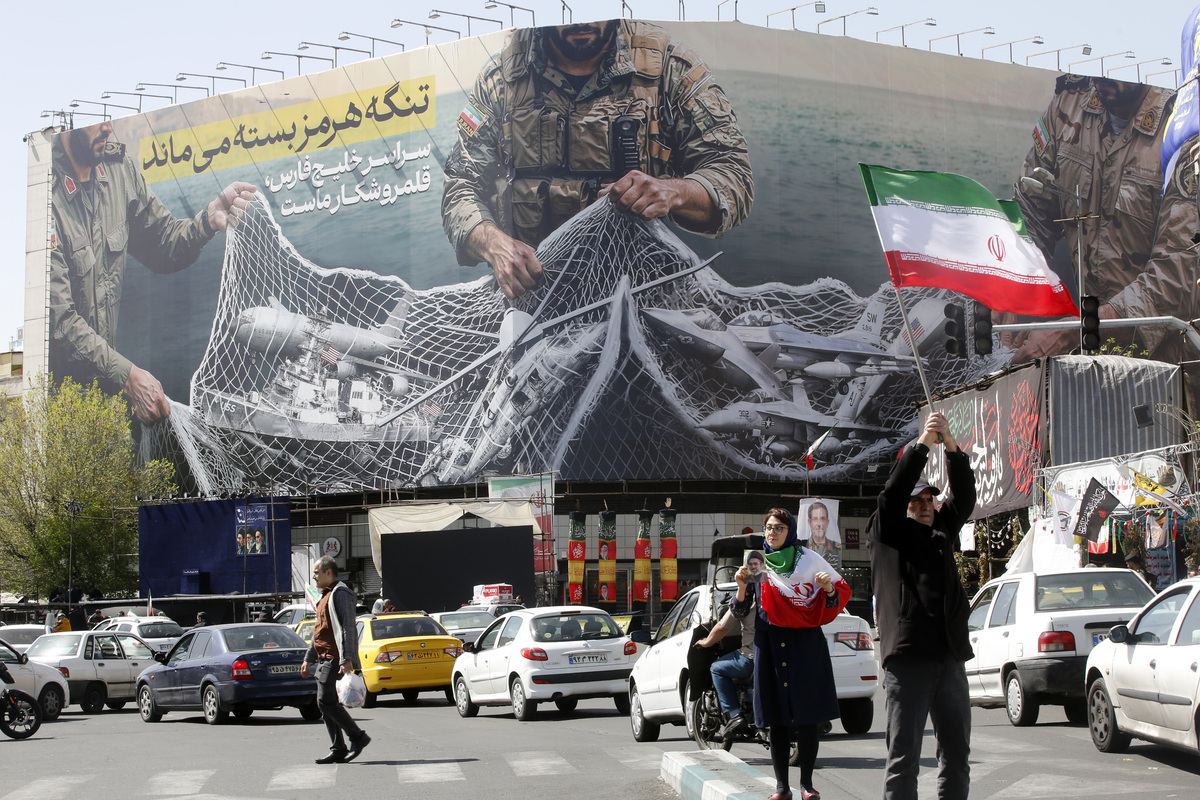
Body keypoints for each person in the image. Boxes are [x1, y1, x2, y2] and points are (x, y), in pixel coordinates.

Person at [442, 19, 754, 299]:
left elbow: (733, 174)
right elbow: (460, 185)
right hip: (534, 300)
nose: (584, 19)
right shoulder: (501, 79)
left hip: (644, 295)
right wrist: (492, 242)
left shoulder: (671, 68)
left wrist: (675, 191)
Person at [49, 119, 257, 424]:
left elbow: (164, 244)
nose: (108, 130)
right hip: (61, 410)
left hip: (110, 399)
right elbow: (61, 322)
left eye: (110, 120)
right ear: (69, 124)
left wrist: (206, 222)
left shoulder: (121, 171)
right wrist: (129, 377)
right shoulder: (46, 195)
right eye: (96, 123)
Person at [1008, 75, 1197, 362]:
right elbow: (1033, 210)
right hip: (1090, 356)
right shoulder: (1072, 104)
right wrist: (1009, 284)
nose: (1101, 75)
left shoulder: (1182, 125)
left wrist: (1075, 330)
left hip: (1169, 362)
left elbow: (1176, 278)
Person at [870, 410, 977, 800]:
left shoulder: (941, 531)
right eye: (918, 499)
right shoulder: (887, 530)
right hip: (908, 660)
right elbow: (891, 495)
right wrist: (922, 445)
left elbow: (964, 497)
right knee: (904, 761)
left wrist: (950, 446)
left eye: (930, 497)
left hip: (948, 658)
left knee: (956, 755)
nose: (927, 503)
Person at [742, 509, 849, 800]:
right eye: (768, 528)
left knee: (807, 716)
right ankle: (781, 787)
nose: (772, 533)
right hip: (770, 643)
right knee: (777, 718)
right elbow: (739, 611)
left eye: (779, 528)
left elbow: (836, 598)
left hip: (805, 643)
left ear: (789, 531)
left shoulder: (809, 559)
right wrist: (741, 589)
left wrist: (827, 588)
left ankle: (807, 784)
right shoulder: (757, 565)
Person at [302, 556, 370, 764]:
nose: (314, 576)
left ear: (328, 572)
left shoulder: (341, 594)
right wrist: (308, 658)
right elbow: (319, 633)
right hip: (323, 659)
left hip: (335, 659)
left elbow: (348, 628)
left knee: (324, 702)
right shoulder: (325, 596)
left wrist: (347, 658)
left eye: (316, 572)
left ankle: (357, 737)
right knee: (325, 703)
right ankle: (338, 748)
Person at [694, 549, 764, 736]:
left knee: (717, 668)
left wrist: (707, 642)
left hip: (751, 657)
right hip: (780, 656)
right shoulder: (778, 596)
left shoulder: (745, 602)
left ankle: (734, 714)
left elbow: (723, 627)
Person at [804, 502, 841, 570]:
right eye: (815, 519)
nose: (819, 524)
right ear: (809, 522)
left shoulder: (836, 548)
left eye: (822, 518)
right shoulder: (803, 547)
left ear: (827, 522)